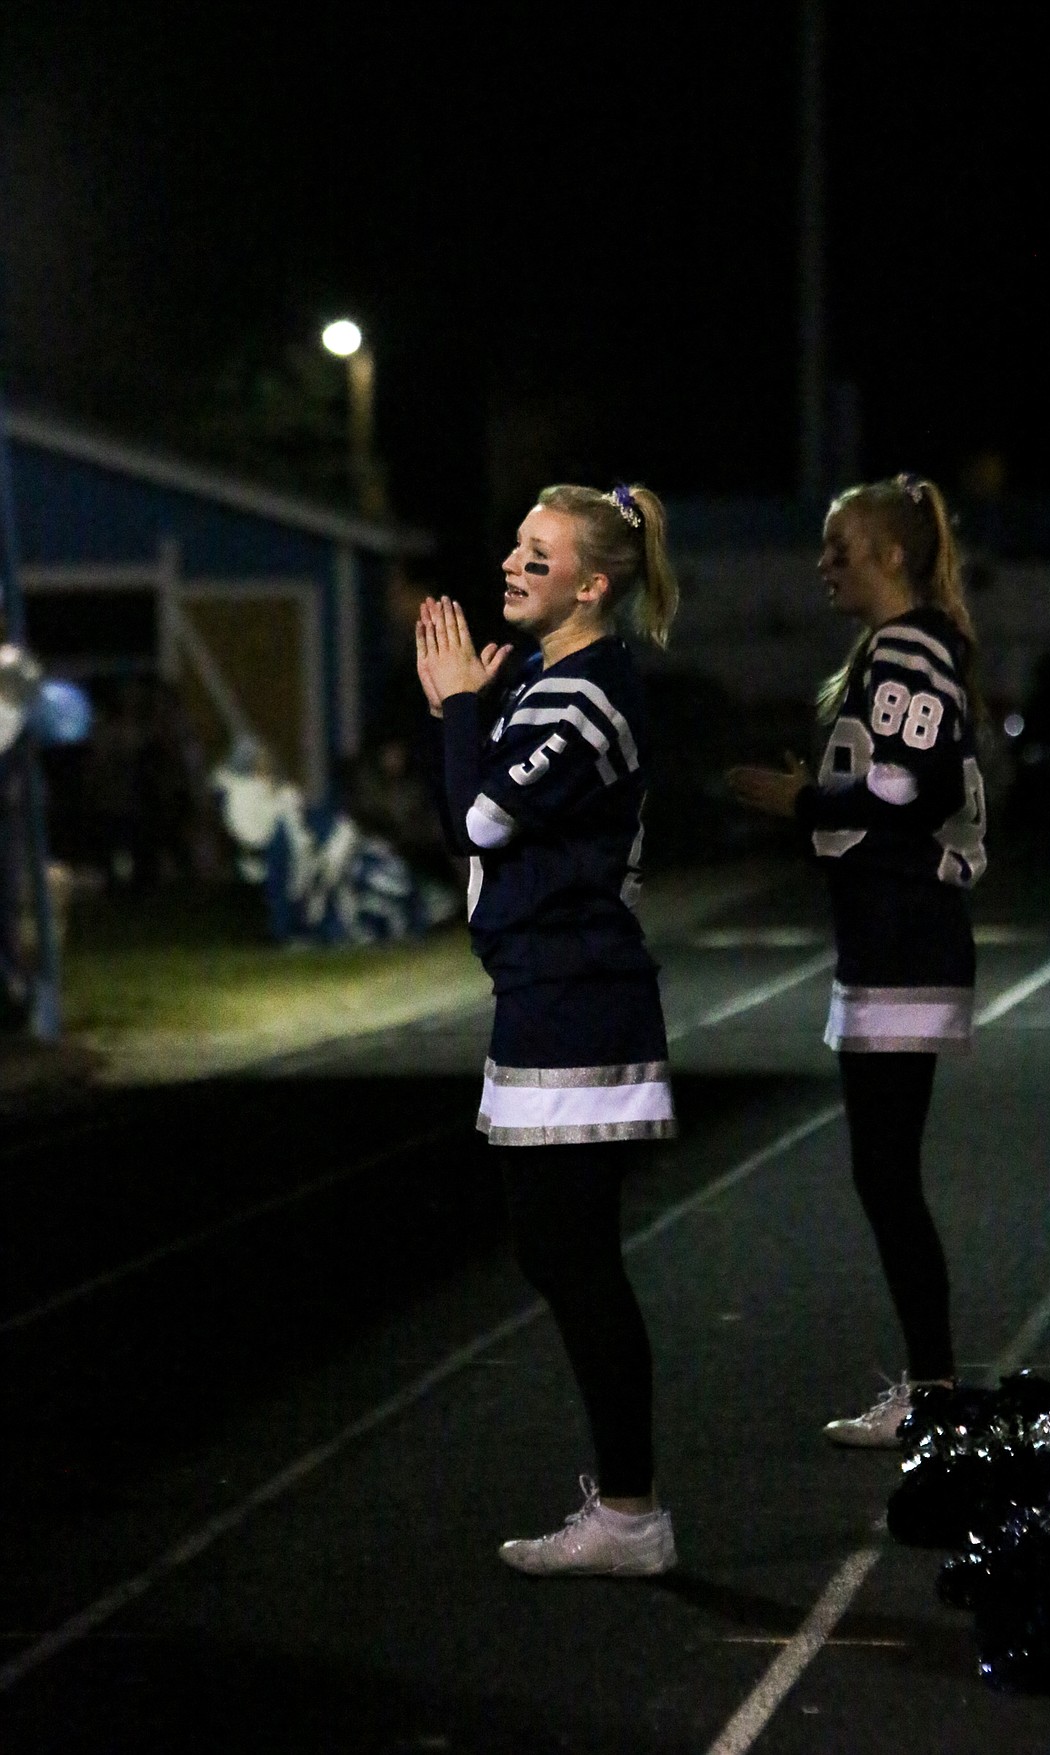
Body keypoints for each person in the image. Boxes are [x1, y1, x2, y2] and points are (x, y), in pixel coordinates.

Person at [415, 482, 680, 1574]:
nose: (514, 566)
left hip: (577, 995)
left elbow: (475, 818)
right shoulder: (543, 675)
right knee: (557, 1252)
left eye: (540, 553)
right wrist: (476, 705)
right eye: (516, 545)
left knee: (574, 1257)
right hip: (545, 989)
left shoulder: (582, 695)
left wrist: (452, 713)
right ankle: (628, 1508)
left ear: (593, 583)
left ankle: (632, 1513)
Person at [728, 473, 987, 1447]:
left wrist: (799, 802)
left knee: (887, 1177)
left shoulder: (910, 652)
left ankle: (936, 1395)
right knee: (884, 1176)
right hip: (886, 936)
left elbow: (908, 791)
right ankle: (934, 1389)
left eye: (841, 547)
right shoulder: (898, 650)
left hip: (902, 938)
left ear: (888, 554)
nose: (824, 564)